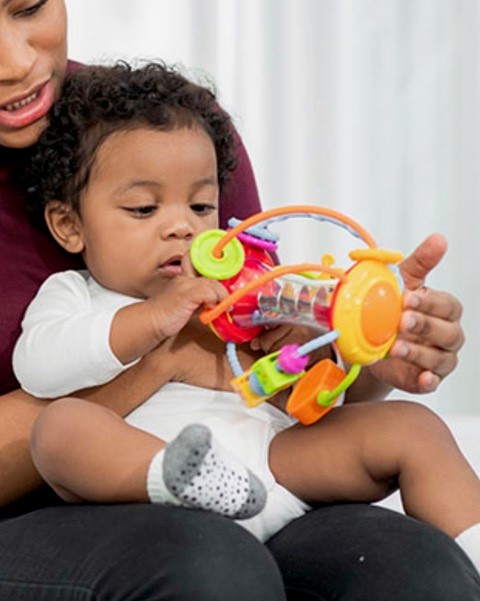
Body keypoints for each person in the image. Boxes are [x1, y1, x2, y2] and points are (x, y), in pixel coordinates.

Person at [0, 1, 477, 600]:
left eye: (201, 207)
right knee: (69, 434)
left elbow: (288, 381)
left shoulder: (163, 127)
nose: (184, 228)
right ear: (69, 225)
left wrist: (363, 341)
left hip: (272, 463)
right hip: (102, 500)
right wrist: (161, 341)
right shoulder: (75, 296)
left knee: (414, 548)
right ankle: (178, 479)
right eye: (145, 210)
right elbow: (40, 366)